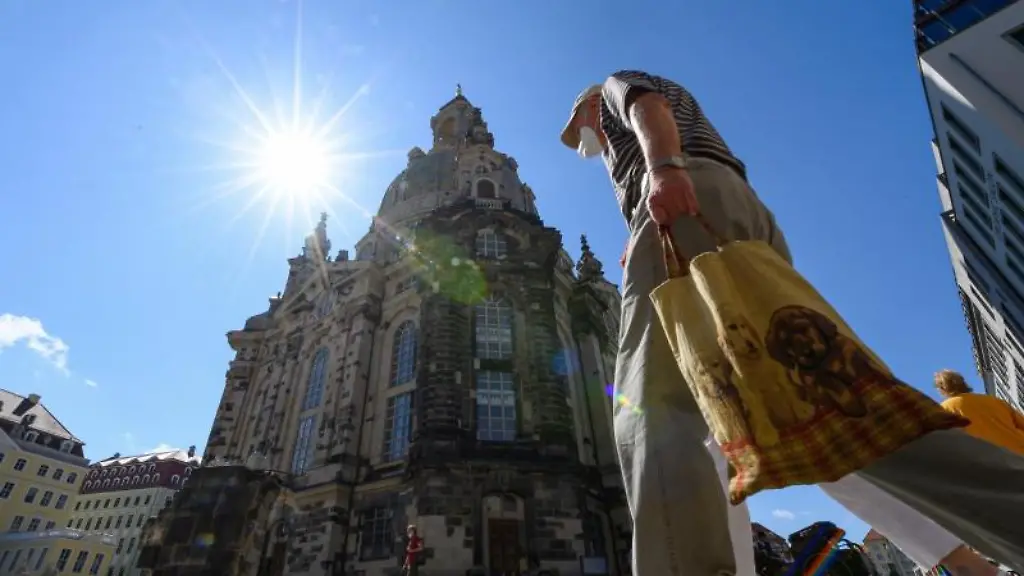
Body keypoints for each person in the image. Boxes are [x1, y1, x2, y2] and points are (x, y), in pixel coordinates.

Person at [559, 70, 1024, 576]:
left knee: (655, 410)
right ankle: (968, 554)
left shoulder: (612, 90)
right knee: (822, 405)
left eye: (583, 130)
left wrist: (665, 170)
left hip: (685, 202)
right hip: (725, 206)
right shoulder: (684, 132)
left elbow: (647, 107)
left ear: (587, 108)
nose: (591, 143)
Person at [934, 369, 1024, 455]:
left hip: (991, 464)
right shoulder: (994, 401)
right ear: (963, 383)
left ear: (942, 389)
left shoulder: (944, 410)